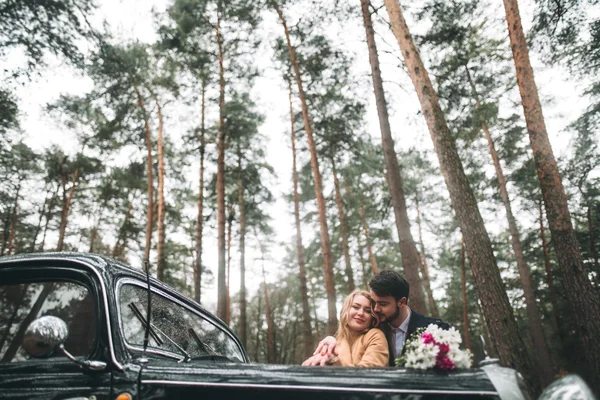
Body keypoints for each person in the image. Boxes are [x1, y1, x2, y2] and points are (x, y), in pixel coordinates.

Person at [313, 270, 449, 366]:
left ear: (401, 302)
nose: (376, 309)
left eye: (383, 304)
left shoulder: (434, 331)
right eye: (373, 303)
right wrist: (330, 340)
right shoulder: (374, 325)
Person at [302, 289, 388, 367]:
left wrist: (334, 360)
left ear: (372, 317)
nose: (361, 313)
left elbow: (369, 373)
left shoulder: (375, 335)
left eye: (367, 311)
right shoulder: (335, 342)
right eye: (356, 307)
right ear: (346, 310)